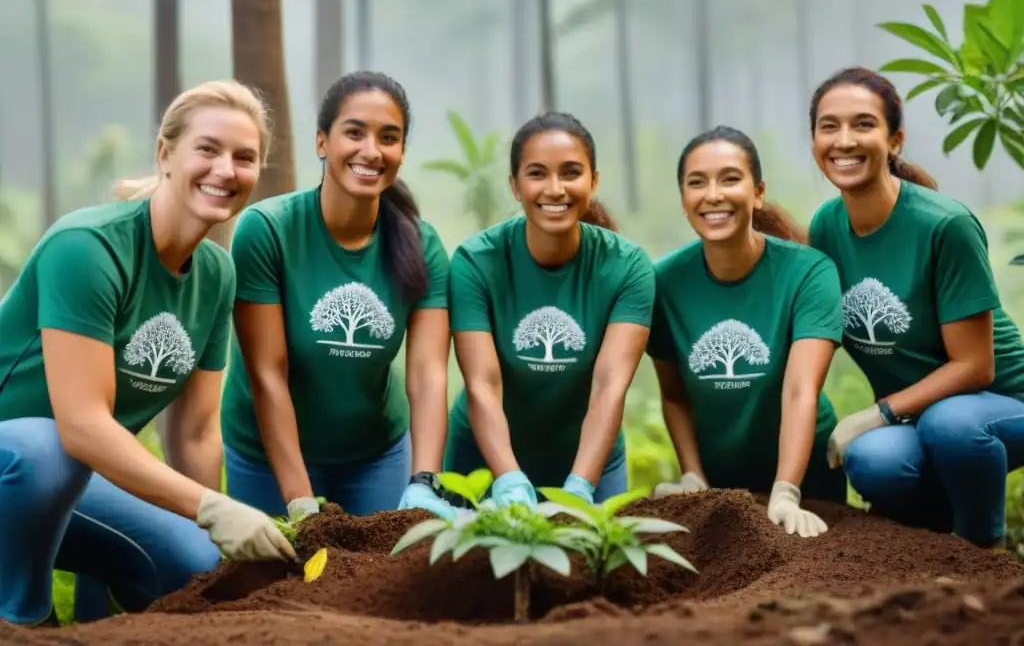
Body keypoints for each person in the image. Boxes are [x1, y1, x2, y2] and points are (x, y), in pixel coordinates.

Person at [0, 80, 297, 628]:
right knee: (50, 448)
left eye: (244, 157)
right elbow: (84, 425)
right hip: (22, 461)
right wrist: (213, 507)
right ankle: (22, 620)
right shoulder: (88, 248)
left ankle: (100, 623)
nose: (225, 170)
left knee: (192, 564)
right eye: (207, 149)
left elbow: (195, 433)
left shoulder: (216, 272)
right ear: (165, 153)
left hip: (68, 476)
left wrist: (210, 526)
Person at [220, 71, 455, 524]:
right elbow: (268, 374)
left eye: (389, 137)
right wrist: (301, 504)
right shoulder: (268, 230)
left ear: (401, 153)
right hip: (266, 454)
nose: (371, 151)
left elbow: (428, 376)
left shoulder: (422, 245)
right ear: (322, 142)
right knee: (277, 586)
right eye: (355, 133)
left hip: (376, 453)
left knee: (377, 583)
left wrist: (425, 480)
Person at [807, 66, 1024, 550]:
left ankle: (984, 549)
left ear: (895, 140)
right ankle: (933, 540)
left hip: (1002, 405)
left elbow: (976, 366)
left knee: (952, 426)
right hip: (917, 415)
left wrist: (874, 413)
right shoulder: (826, 227)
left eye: (863, 124)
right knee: (873, 461)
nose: (844, 140)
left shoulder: (946, 226)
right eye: (829, 126)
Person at [442, 111, 654, 506]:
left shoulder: (627, 266)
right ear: (515, 186)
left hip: (591, 460)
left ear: (593, 181)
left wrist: (578, 490)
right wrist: (507, 478)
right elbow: (482, 384)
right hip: (483, 458)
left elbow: (610, 387)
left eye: (570, 173)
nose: (554, 189)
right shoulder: (476, 261)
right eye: (537, 174)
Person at [647, 126, 847, 537]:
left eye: (730, 179)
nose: (713, 194)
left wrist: (787, 490)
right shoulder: (663, 282)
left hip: (807, 480)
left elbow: (800, 390)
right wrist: (693, 476)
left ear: (757, 193)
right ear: (684, 200)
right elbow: (674, 394)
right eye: (697, 183)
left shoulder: (808, 272)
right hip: (721, 484)